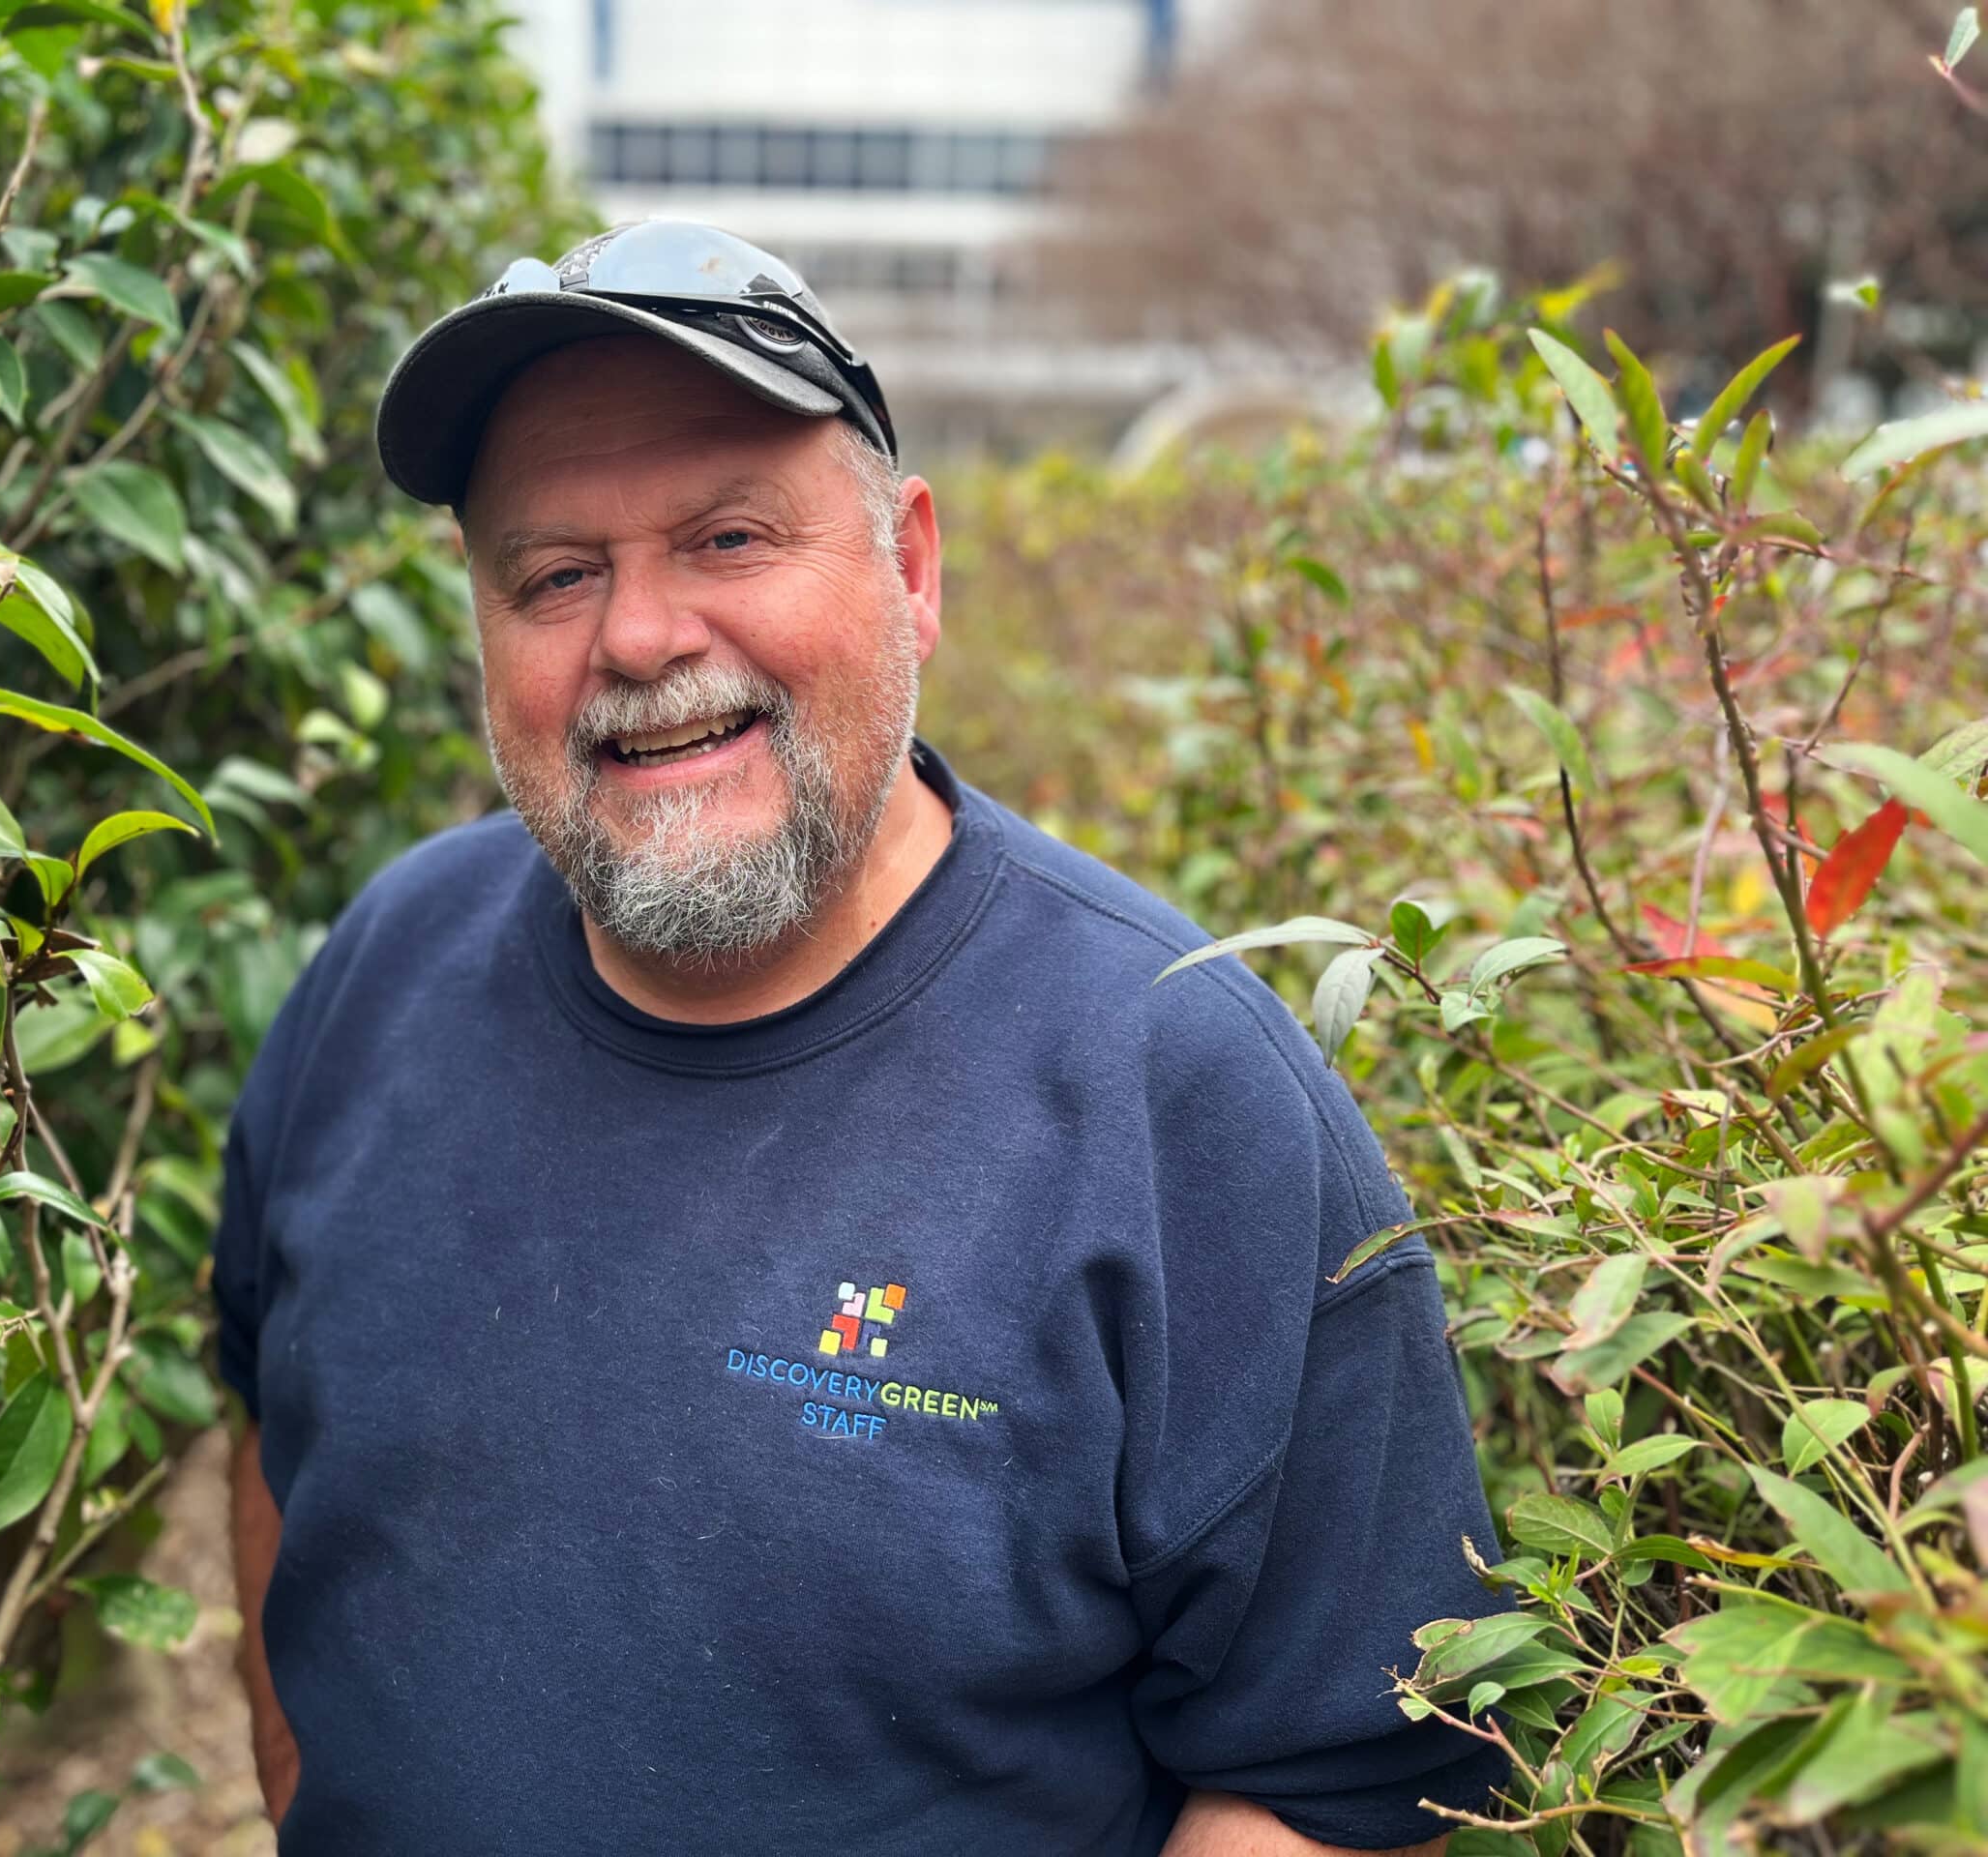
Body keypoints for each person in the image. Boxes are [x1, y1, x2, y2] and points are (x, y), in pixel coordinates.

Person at [212, 220, 1511, 1855]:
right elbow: (268, 1397)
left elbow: (1338, 1779)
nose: (637, 639)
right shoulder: (385, 966)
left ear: (910, 566)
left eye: (731, 537)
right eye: (555, 574)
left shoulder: (1183, 1094)